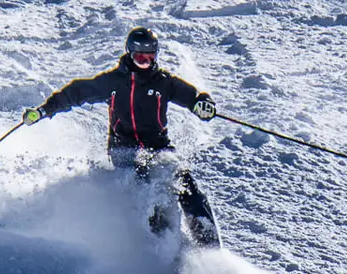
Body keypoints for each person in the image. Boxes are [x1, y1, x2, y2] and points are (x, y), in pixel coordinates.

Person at [22, 26, 222, 249]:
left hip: (159, 147)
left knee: (186, 186)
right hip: (124, 148)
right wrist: (44, 110)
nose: (145, 62)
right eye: (139, 57)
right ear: (129, 54)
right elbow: (77, 92)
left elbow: (191, 96)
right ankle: (164, 250)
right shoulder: (113, 83)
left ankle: (209, 247)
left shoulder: (163, 82)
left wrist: (202, 104)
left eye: (150, 57)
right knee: (149, 187)